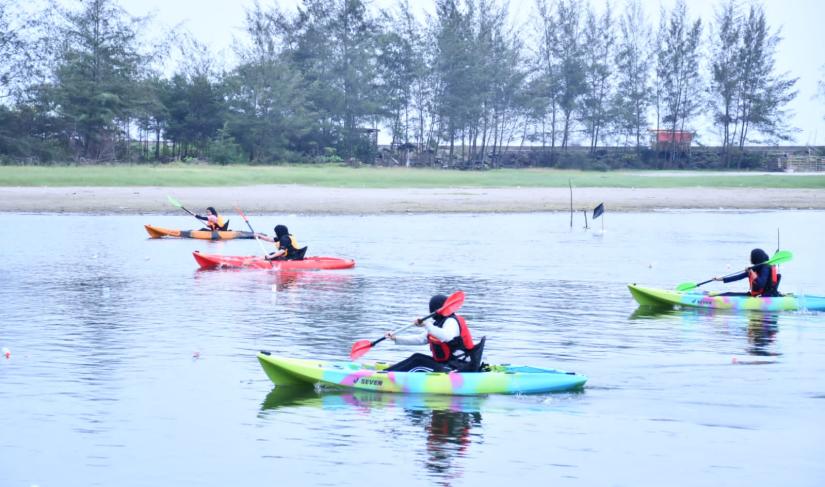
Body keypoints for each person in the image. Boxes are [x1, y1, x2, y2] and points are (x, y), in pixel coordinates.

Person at [384, 294, 476, 373]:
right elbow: (421, 339)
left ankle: (386, 376)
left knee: (418, 361)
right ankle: (386, 373)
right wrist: (396, 338)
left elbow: (446, 337)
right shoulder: (437, 324)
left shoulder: (451, 321)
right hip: (447, 365)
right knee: (417, 357)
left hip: (459, 367)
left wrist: (426, 324)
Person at [713, 248, 781, 297]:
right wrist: (719, 279)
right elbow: (738, 277)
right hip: (757, 296)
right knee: (727, 293)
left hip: (765, 297)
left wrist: (751, 272)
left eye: (751, 256)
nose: (749, 258)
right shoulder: (757, 268)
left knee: (726, 295)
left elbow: (761, 284)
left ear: (756, 258)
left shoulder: (765, 268)